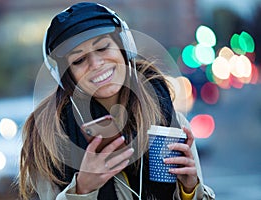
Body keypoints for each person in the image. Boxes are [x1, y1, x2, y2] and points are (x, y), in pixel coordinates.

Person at [19, 2, 215, 200]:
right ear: (65, 75)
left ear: (125, 47)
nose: (96, 65)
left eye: (103, 48)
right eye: (78, 60)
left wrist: (190, 190)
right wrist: (82, 189)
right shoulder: (48, 137)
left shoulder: (169, 120)